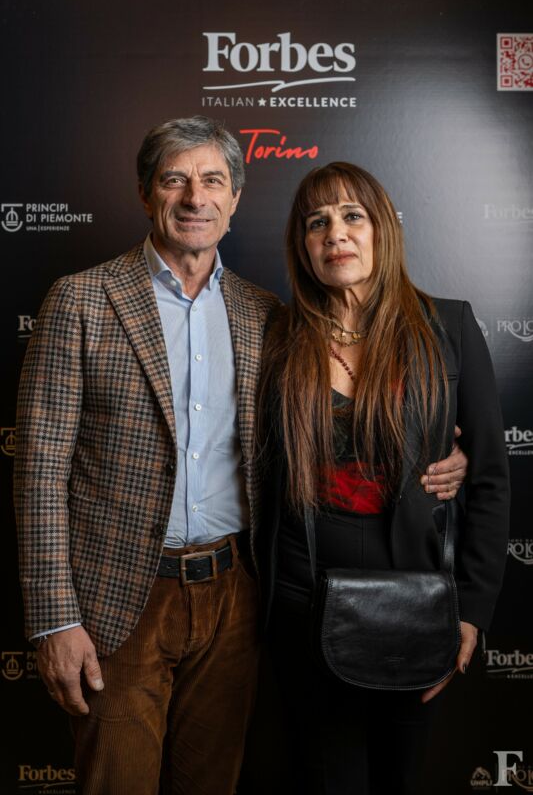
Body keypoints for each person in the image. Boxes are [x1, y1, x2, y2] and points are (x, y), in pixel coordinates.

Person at [14, 119, 466, 795]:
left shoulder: (267, 316)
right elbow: (39, 470)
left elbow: (322, 432)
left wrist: (442, 453)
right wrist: (56, 617)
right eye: (175, 180)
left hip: (236, 599)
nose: (195, 197)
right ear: (146, 194)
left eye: (212, 181)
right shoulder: (81, 299)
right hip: (121, 600)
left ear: (235, 199)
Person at [257, 162, 509, 795]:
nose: (335, 234)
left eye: (352, 216)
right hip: (303, 601)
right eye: (316, 223)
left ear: (383, 230)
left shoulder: (449, 327)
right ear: (302, 246)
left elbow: (489, 480)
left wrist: (471, 613)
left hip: (414, 603)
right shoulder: (278, 336)